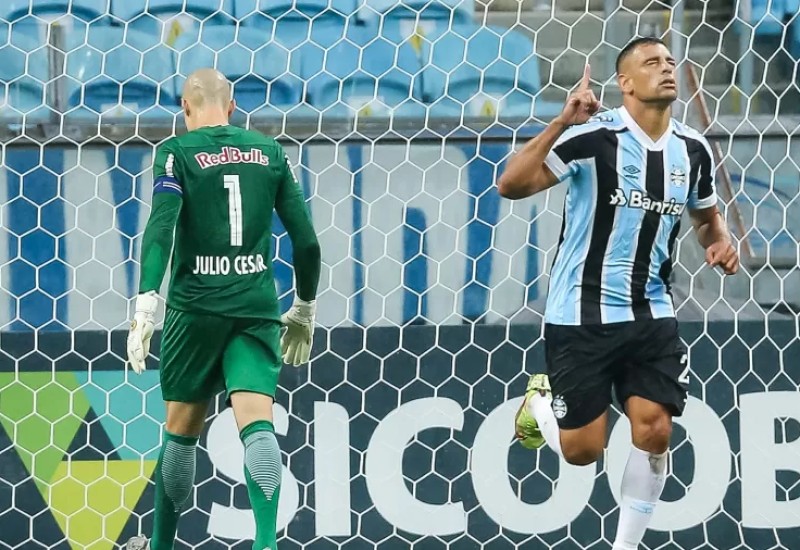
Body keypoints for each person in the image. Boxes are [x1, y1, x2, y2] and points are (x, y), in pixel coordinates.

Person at [498, 37, 738, 550]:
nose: (666, 69)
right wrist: (562, 121)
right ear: (625, 83)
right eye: (652, 63)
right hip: (578, 312)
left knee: (654, 430)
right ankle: (542, 406)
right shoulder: (593, 138)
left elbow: (704, 217)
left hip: (652, 309)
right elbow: (510, 185)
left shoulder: (692, 149)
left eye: (670, 62)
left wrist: (718, 240)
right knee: (583, 451)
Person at [124, 68, 321, 550]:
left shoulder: (176, 153)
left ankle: (162, 546)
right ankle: (266, 544)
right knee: (257, 425)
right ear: (232, 108)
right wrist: (304, 307)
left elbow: (161, 228)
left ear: (184, 108)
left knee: (180, 429)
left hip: (195, 311)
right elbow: (307, 241)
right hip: (255, 307)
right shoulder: (270, 152)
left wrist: (147, 302)